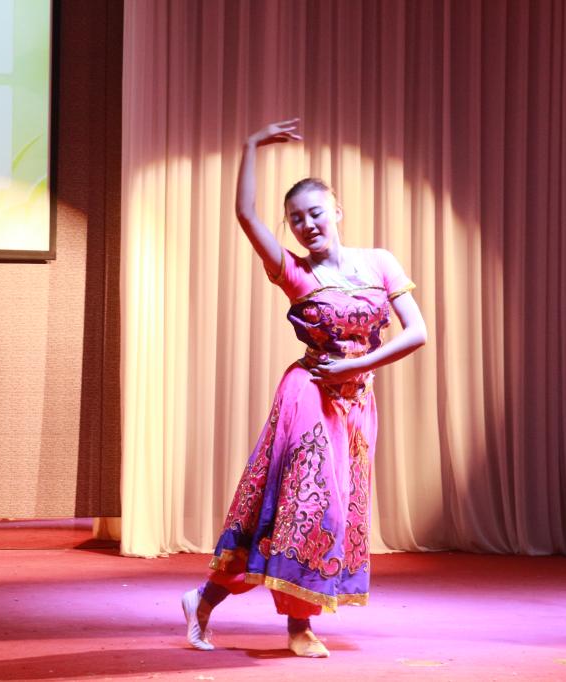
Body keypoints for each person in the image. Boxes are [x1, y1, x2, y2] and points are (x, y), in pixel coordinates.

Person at [181, 119, 428, 657]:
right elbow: (246, 215)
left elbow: (418, 333)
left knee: (312, 513)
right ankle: (299, 627)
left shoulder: (380, 262)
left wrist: (356, 369)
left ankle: (203, 600)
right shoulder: (295, 273)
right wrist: (250, 145)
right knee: (308, 509)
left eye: (315, 212)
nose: (307, 224)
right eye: (296, 219)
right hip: (308, 397)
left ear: (337, 210)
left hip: (355, 403)